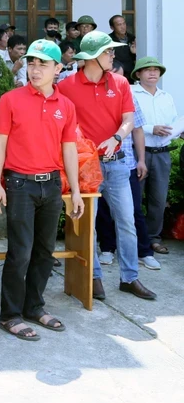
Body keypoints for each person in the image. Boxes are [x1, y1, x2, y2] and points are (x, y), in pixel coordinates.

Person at [0, 40, 84, 340]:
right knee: (20, 252)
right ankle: (10, 314)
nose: (35, 69)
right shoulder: (11, 100)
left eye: (43, 64)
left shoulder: (66, 106)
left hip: (53, 185)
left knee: (44, 252)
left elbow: (69, 148)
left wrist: (77, 190)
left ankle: (34, 306)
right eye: (32, 63)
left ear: (59, 68)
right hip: (19, 184)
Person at [59, 31, 156, 301]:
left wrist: (117, 138)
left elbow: (128, 120)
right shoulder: (66, 86)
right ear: (92, 57)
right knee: (86, 225)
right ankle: (94, 277)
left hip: (117, 165)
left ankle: (130, 277)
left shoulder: (121, 83)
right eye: (108, 52)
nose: (113, 55)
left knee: (127, 221)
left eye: (112, 51)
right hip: (85, 167)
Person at [97, 61, 158, 270]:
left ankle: (144, 251)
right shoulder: (94, 95)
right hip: (98, 162)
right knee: (103, 210)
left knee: (132, 211)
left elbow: (137, 129)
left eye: (121, 76)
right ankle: (107, 248)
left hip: (127, 161)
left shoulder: (128, 95)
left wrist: (141, 160)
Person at [132, 56, 178, 256]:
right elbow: (129, 121)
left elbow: (174, 121)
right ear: (138, 74)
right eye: (148, 70)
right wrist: (152, 128)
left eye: (156, 70)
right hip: (138, 152)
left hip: (162, 154)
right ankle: (132, 239)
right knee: (133, 198)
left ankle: (153, 238)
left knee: (158, 200)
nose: (153, 73)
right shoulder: (131, 93)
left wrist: (179, 130)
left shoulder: (166, 96)